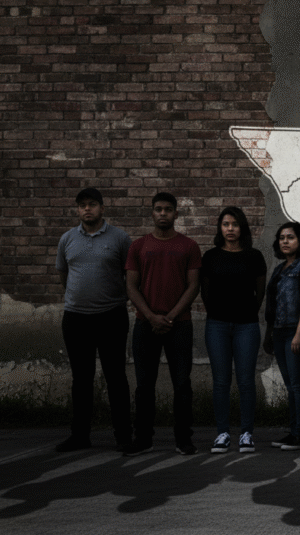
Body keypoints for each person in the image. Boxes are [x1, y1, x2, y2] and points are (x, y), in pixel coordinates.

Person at [54, 187, 134, 452]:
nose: (86, 209)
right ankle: (80, 436)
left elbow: (130, 276)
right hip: (76, 319)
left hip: (111, 317)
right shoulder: (67, 239)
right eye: (82, 205)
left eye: (92, 204)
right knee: (82, 379)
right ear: (77, 210)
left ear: (102, 208)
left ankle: (123, 436)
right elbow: (64, 276)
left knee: (116, 377)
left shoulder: (120, 238)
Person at [124, 192, 201, 456]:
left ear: (176, 214)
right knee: (145, 385)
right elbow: (131, 287)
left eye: (168, 209)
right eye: (158, 209)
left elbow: (193, 286)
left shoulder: (189, 246)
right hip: (146, 324)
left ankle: (183, 439)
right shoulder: (139, 246)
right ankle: (143, 438)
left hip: (179, 324)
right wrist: (151, 315)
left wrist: (169, 316)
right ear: (152, 213)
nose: (163, 213)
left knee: (182, 385)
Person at [201, 207, 266, 454]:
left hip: (246, 326)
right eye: (226, 224)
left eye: (235, 224)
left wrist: (247, 312)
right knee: (221, 381)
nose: (230, 229)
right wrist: (218, 312)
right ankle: (223, 434)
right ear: (220, 228)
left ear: (243, 228)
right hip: (216, 324)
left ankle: (246, 433)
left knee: (246, 380)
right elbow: (205, 292)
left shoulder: (254, 256)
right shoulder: (210, 257)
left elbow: (260, 293)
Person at [264, 222, 300, 451]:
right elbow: (272, 306)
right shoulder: (279, 269)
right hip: (280, 332)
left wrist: (299, 334)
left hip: (298, 332)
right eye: (282, 237)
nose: (285, 241)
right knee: (290, 385)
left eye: (290, 237)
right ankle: (294, 431)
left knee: (298, 383)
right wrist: (270, 334)